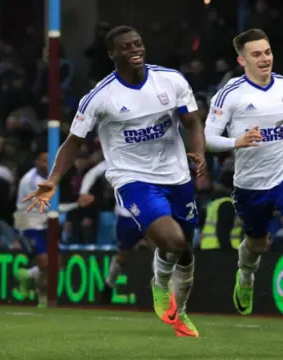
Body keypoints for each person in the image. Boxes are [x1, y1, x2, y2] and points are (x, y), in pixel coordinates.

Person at [23, 26, 206, 338]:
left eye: (138, 43)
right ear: (112, 54)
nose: (134, 49)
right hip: (133, 180)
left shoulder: (171, 80)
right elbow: (73, 142)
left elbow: (192, 121)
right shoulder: (100, 97)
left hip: (177, 176)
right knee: (173, 241)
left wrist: (199, 152)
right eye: (125, 46)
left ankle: (181, 313)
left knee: (186, 251)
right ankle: (161, 286)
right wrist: (53, 179)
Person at [204, 28, 283, 325]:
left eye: (267, 52)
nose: (264, 59)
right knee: (256, 244)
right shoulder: (230, 95)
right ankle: (246, 277)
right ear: (242, 60)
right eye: (256, 54)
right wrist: (235, 142)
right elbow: (207, 138)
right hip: (250, 184)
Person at [77, 160, 144, 303]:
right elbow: (93, 172)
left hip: (151, 213)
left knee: (161, 248)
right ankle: (109, 284)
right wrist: (83, 192)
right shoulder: (119, 157)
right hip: (126, 217)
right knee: (123, 257)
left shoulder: (155, 156)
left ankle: (166, 294)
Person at [13, 147, 52, 308]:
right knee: (45, 262)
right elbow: (49, 206)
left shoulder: (51, 177)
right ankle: (40, 295)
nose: (48, 163)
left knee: (56, 262)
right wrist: (75, 205)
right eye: (44, 160)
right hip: (28, 223)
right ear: (37, 162)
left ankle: (29, 278)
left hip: (44, 222)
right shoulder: (31, 181)